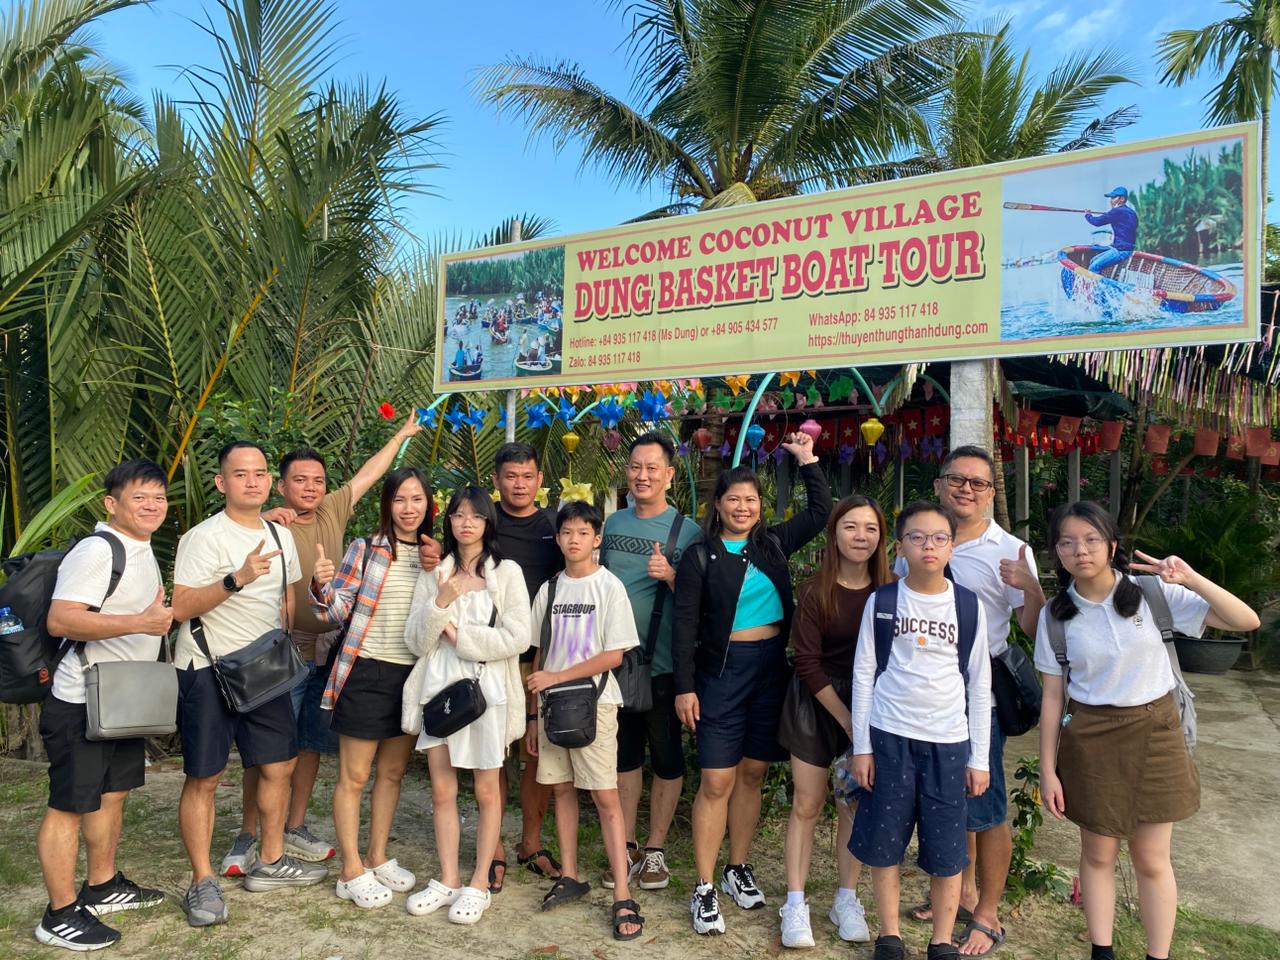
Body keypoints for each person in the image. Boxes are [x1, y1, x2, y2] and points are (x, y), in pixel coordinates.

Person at [1036, 502, 1258, 960]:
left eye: (1092, 539)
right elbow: (1053, 697)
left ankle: (1159, 956)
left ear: (1112, 546)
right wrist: (1047, 770)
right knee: (1098, 854)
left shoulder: (1152, 594)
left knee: (1152, 858)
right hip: (1091, 738)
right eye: (1068, 542)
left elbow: (1246, 621)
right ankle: (1103, 951)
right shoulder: (1056, 615)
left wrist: (1191, 579)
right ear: (1057, 552)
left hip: (1158, 731)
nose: (1081, 550)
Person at [221, 414, 430, 877]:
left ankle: (294, 826)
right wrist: (262, 517)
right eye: (300, 480)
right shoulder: (267, 524)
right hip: (283, 647)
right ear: (281, 486)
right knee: (270, 747)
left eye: (318, 480)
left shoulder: (335, 510)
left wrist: (399, 436)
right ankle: (249, 833)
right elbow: (234, 532)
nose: (311, 488)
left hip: (333, 647)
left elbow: (370, 475)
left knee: (312, 744)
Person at [672, 431, 831, 936]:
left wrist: (808, 461)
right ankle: (703, 888)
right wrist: (684, 686)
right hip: (719, 673)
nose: (743, 507)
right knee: (717, 778)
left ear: (760, 506)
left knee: (754, 771)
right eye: (733, 499)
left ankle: (736, 867)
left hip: (769, 671)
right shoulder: (700, 557)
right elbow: (685, 629)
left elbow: (822, 510)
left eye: (751, 499)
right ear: (717, 506)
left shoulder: (773, 544)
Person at [172, 441, 326, 929]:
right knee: (205, 776)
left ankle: (272, 859)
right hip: (207, 668)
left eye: (260, 473)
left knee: (279, 764)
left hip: (264, 670)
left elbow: (287, 607)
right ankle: (202, 879)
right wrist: (235, 580)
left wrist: (322, 589)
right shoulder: (203, 538)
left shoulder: (280, 537)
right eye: (241, 475)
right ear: (222, 483)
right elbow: (179, 607)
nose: (252, 482)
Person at [902, 444, 1043, 957]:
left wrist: (1032, 589)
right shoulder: (919, 539)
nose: (965, 488)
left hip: (979, 691)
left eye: (977, 483)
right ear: (939, 484)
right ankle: (958, 891)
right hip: (925, 691)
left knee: (987, 797)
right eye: (956, 479)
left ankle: (987, 911)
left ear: (989, 492)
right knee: (945, 793)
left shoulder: (1010, 549)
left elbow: (1031, 627)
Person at [34, 460, 173, 951]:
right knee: (69, 806)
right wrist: (140, 622)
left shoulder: (141, 547)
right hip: (80, 701)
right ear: (111, 504)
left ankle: (102, 885)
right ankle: (59, 912)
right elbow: (61, 620)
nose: (152, 505)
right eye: (140, 497)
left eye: (159, 496)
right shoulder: (98, 550)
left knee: (112, 795)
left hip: (120, 698)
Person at [850, 501, 992, 960]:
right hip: (889, 737)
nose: (927, 546)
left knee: (948, 848)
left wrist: (979, 758)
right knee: (884, 841)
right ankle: (889, 935)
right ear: (900, 546)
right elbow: (863, 673)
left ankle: (942, 940)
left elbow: (979, 683)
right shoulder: (883, 601)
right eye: (916, 537)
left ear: (952, 546)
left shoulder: (968, 606)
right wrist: (862, 747)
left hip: (949, 743)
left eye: (938, 538)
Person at [400, 487, 532, 923]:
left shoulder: (507, 573)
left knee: (487, 789)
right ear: (449, 522)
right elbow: (416, 640)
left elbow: (517, 637)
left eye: (476, 516)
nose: (466, 523)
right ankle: (449, 877)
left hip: (486, 692)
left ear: (488, 522)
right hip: (439, 688)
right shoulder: (435, 572)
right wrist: (441, 600)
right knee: (442, 789)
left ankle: (479, 882)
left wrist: (461, 638)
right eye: (458, 515)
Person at [309, 467, 434, 910]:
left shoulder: (435, 554)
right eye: (400, 499)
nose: (408, 508)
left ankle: (377, 856)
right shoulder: (366, 548)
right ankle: (350, 868)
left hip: (411, 676)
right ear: (387, 504)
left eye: (417, 499)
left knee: (394, 772)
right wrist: (323, 586)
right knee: (355, 775)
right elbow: (338, 612)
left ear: (428, 504)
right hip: (366, 671)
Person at [777, 494, 892, 948]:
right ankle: (795, 902)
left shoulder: (892, 591)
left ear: (881, 537)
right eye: (850, 527)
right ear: (834, 533)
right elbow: (805, 661)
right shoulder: (813, 590)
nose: (860, 536)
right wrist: (848, 720)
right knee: (807, 804)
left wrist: (865, 722)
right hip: (815, 702)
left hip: (871, 705)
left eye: (869, 528)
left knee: (853, 804)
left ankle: (846, 898)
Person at [526, 501, 645, 941]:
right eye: (566, 532)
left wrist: (558, 676)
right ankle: (571, 873)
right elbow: (539, 652)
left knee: (605, 796)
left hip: (596, 703)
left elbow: (615, 654)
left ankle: (623, 893)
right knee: (560, 789)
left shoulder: (608, 587)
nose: (574, 540)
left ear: (597, 539)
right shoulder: (550, 590)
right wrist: (534, 715)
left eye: (583, 532)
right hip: (553, 706)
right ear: (557, 539)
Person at [599, 431, 701, 891]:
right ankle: (627, 845)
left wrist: (674, 576)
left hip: (662, 665)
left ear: (670, 476)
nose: (642, 475)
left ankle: (656, 848)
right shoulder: (613, 525)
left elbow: (705, 603)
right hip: (614, 663)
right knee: (624, 757)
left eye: (652, 468)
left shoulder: (688, 531)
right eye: (635, 467)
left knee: (666, 755)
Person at [1084, 187, 1137, 275]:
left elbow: (1096, 222)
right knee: (1093, 260)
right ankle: (1102, 280)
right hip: (1125, 249)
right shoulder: (1131, 212)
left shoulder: (1116, 212)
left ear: (1122, 199)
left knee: (1093, 267)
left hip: (1121, 250)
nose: (1111, 201)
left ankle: (1097, 288)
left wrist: (1088, 215)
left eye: (1113, 198)